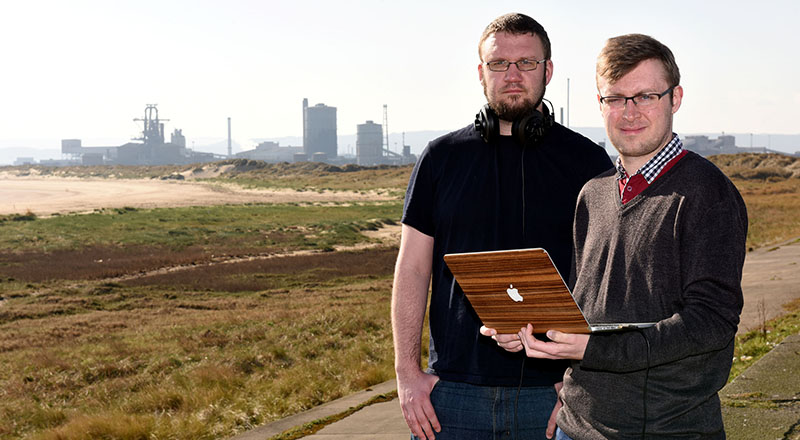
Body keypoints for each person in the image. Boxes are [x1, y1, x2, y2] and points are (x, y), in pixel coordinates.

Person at [484, 34, 748, 439]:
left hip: (664, 431)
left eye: (645, 96)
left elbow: (711, 322)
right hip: (574, 425)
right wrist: (528, 327)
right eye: (616, 98)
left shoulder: (707, 194)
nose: (629, 112)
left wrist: (592, 350)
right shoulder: (593, 194)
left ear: (675, 98)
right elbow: (585, 308)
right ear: (600, 104)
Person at [392, 13, 613, 440]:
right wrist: (407, 374)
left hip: (552, 395)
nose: (512, 75)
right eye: (498, 64)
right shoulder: (440, 158)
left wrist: (578, 383)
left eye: (526, 63)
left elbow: (604, 278)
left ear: (547, 71)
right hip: (452, 394)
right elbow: (413, 269)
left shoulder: (587, 162)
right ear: (481, 73)